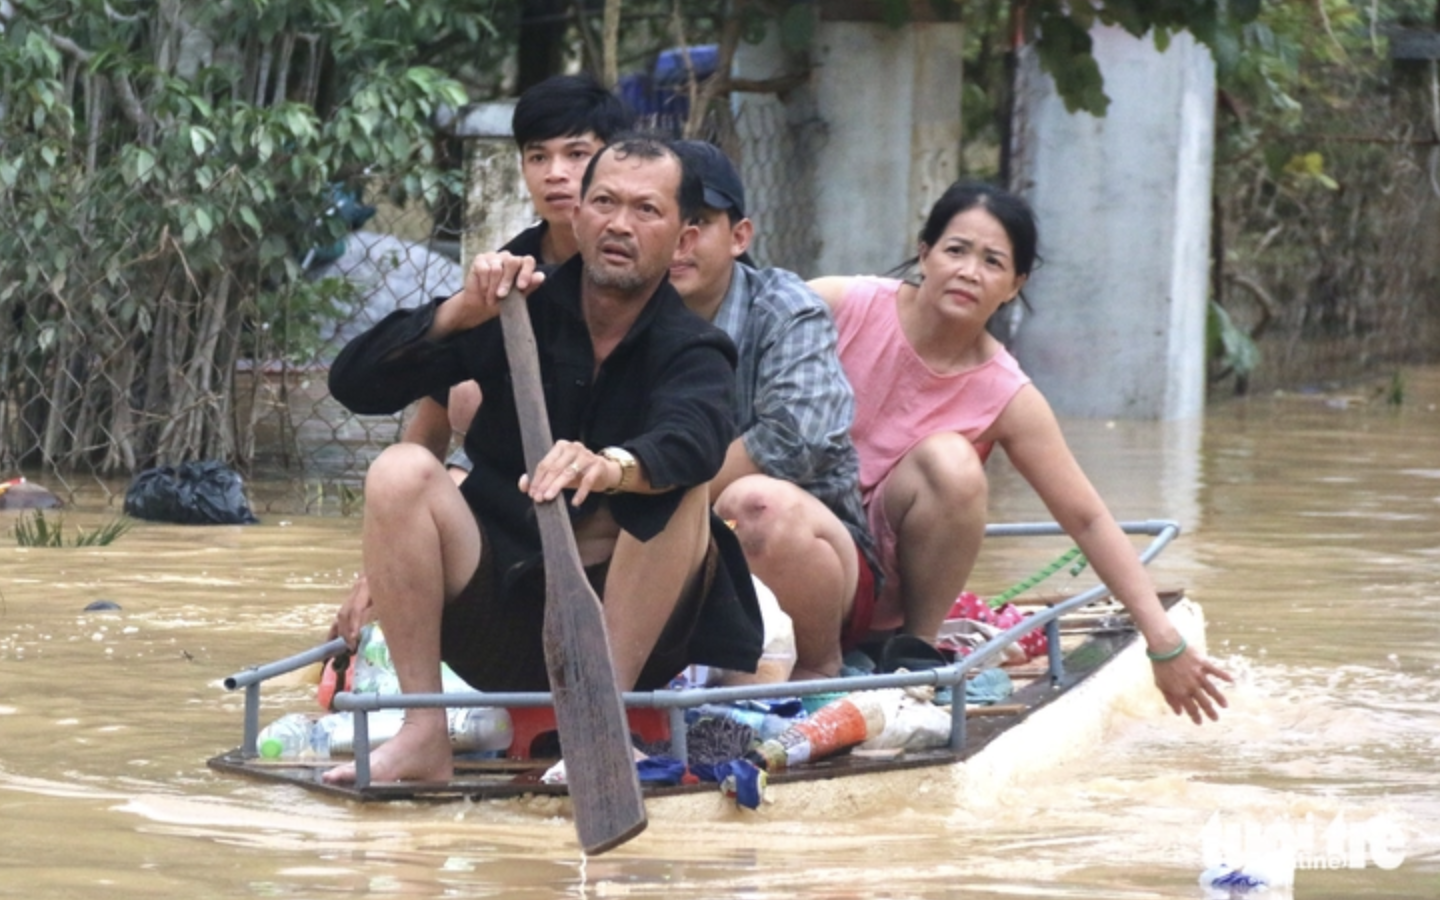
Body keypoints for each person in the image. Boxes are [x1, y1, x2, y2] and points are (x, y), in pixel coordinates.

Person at [322, 135, 764, 783]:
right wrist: (457, 313)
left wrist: (613, 466)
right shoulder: (514, 309)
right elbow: (355, 385)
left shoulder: (692, 347)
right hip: (498, 615)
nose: (619, 224)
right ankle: (423, 732)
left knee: (682, 484)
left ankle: (600, 726)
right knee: (399, 472)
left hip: (634, 636)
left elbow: (694, 436)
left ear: (683, 239)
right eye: (605, 203)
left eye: (646, 210)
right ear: (578, 218)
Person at [808, 181, 1232, 724]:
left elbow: (1086, 517)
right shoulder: (837, 303)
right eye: (956, 250)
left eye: (992, 262)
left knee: (951, 461)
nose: (968, 272)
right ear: (925, 253)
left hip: (878, 590)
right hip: (793, 546)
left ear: (1014, 285)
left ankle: (913, 650)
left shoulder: (1006, 392)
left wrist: (1163, 641)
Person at [668, 140, 877, 680]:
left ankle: (817, 672)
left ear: (740, 236)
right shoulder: (615, 308)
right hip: (664, 542)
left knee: (756, 506)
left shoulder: (785, 307)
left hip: (808, 554)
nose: (679, 242)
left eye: (700, 222)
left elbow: (796, 439)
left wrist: (650, 498)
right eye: (664, 218)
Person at [403, 73, 637, 464]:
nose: (554, 173)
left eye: (576, 155)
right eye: (538, 157)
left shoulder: (648, 259)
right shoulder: (511, 268)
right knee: (457, 394)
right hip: (522, 478)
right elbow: (428, 421)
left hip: (635, 473)